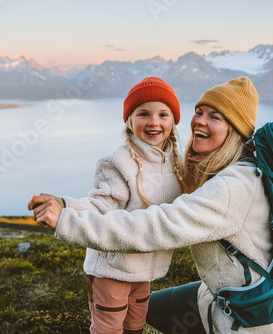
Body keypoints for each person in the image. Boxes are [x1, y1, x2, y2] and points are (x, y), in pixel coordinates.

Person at [29, 77, 273, 333]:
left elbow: (159, 226)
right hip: (215, 296)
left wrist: (67, 219)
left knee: (140, 313)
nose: (199, 120)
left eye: (215, 117)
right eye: (200, 111)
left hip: (245, 318)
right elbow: (101, 203)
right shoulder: (218, 167)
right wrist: (66, 204)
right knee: (142, 312)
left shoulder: (231, 187)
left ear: (234, 129)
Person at [33, 76, 184, 334]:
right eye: (143, 114)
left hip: (143, 271)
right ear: (130, 120)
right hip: (112, 269)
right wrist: (63, 205)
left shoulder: (177, 163)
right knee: (108, 330)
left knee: (135, 327)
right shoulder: (118, 162)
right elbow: (99, 207)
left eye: (163, 114)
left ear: (173, 120)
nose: (154, 122)